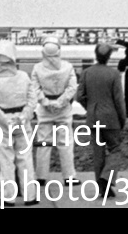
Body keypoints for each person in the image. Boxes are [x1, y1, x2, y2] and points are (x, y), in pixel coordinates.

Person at [0, 40, 37, 205]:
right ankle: (30, 197)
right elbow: (32, 101)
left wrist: (5, 120)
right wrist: (23, 117)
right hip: (23, 122)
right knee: (25, 159)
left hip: (2, 124)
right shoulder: (24, 77)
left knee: (6, 160)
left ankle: (8, 198)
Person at [75, 41, 126, 196]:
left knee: (98, 153)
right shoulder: (114, 74)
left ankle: (102, 189)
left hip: (93, 118)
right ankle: (107, 177)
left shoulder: (86, 72)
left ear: (96, 55)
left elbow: (80, 96)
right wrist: (122, 119)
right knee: (116, 149)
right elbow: (119, 100)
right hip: (111, 118)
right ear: (109, 57)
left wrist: (89, 108)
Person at [28, 37, 78, 184]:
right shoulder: (68, 67)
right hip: (63, 109)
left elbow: (34, 89)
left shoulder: (37, 68)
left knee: (43, 142)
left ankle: (41, 177)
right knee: (66, 143)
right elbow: (72, 88)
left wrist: (46, 102)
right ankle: (69, 177)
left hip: (44, 109)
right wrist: (60, 102)